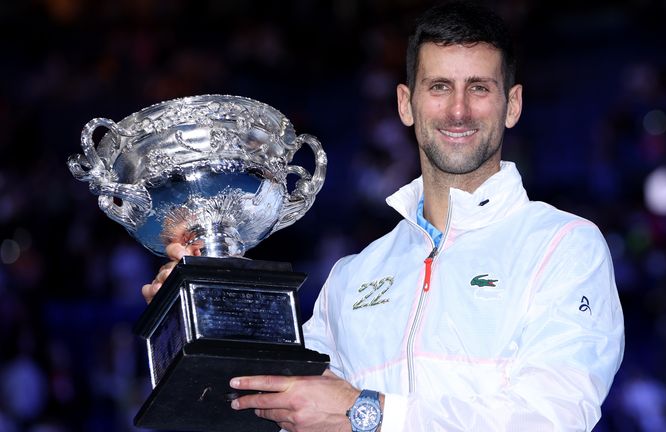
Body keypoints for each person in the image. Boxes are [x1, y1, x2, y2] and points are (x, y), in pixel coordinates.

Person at [143, 1, 625, 430]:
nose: (458, 110)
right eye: (439, 87)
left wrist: (368, 414)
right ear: (406, 104)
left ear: (512, 105)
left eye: (478, 88)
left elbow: (551, 417)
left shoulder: (564, 245)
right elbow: (271, 401)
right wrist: (211, 302)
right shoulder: (353, 277)